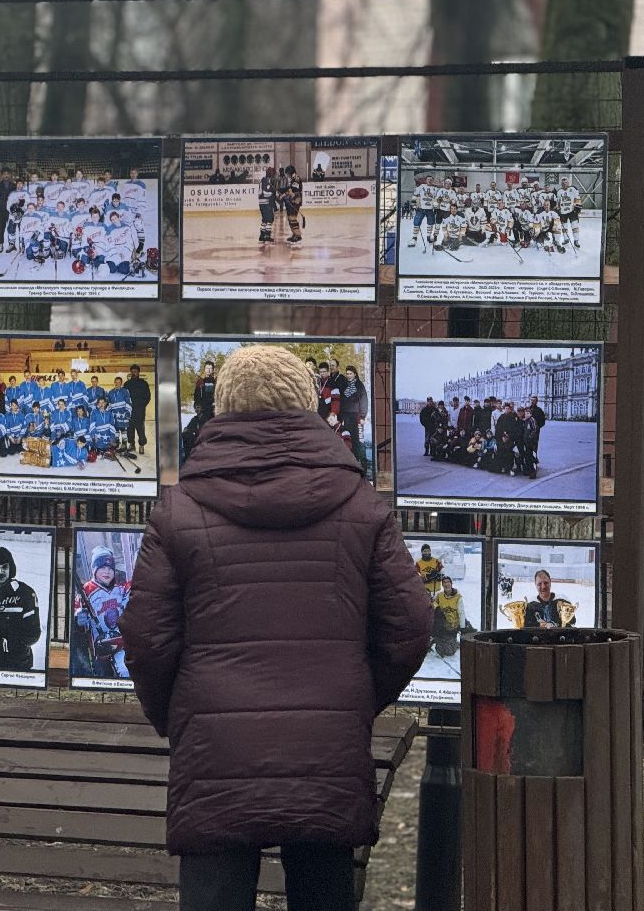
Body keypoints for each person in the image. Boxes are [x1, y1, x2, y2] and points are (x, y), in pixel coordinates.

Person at [120, 345, 431, 911]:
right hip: (327, 747)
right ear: (309, 402)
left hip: (215, 748)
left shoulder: (179, 511)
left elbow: (146, 638)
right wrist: (354, 698)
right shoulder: (361, 506)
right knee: (323, 893)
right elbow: (409, 627)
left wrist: (179, 713)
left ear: (221, 406)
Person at [74, 547, 132, 679]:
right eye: (102, 567)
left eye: (111, 568)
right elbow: (75, 616)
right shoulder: (86, 591)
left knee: (125, 673)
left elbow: (133, 591)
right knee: (104, 679)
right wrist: (77, 619)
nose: (107, 571)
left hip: (120, 645)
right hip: (100, 652)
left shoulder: (120, 588)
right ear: (94, 569)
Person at [125, 364, 152, 452]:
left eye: (135, 371)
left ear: (139, 372)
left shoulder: (143, 383)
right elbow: (124, 397)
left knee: (140, 429)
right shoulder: (127, 384)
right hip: (129, 411)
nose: (134, 373)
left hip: (139, 410)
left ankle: (141, 445)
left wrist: (141, 406)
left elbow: (147, 397)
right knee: (130, 429)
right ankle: (132, 444)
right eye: (132, 372)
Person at [0, 168, 17, 251]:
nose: (6, 175)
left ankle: (11, 244)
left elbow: (16, 197)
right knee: (0, 228)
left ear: (9, 175)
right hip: (1, 210)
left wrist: (13, 207)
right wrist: (0, 205)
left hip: (10, 211)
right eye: (4, 174)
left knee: (11, 228)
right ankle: (0, 244)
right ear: (2, 175)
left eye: (8, 174)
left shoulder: (13, 185)